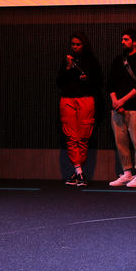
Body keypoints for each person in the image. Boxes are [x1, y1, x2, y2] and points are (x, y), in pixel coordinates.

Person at [56, 31, 102, 186]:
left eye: (78, 44)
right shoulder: (67, 61)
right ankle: (79, 171)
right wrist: (67, 68)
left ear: (84, 45)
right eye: (73, 44)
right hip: (68, 99)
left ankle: (77, 171)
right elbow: (59, 82)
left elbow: (98, 82)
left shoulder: (91, 61)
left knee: (83, 136)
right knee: (71, 136)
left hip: (85, 99)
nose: (74, 47)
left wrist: (86, 79)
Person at [107, 29, 136, 188]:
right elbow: (110, 83)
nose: (122, 42)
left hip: (135, 108)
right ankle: (127, 173)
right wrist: (115, 102)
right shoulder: (117, 60)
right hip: (117, 108)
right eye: (122, 39)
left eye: (126, 39)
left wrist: (122, 101)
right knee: (121, 142)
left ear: (135, 41)